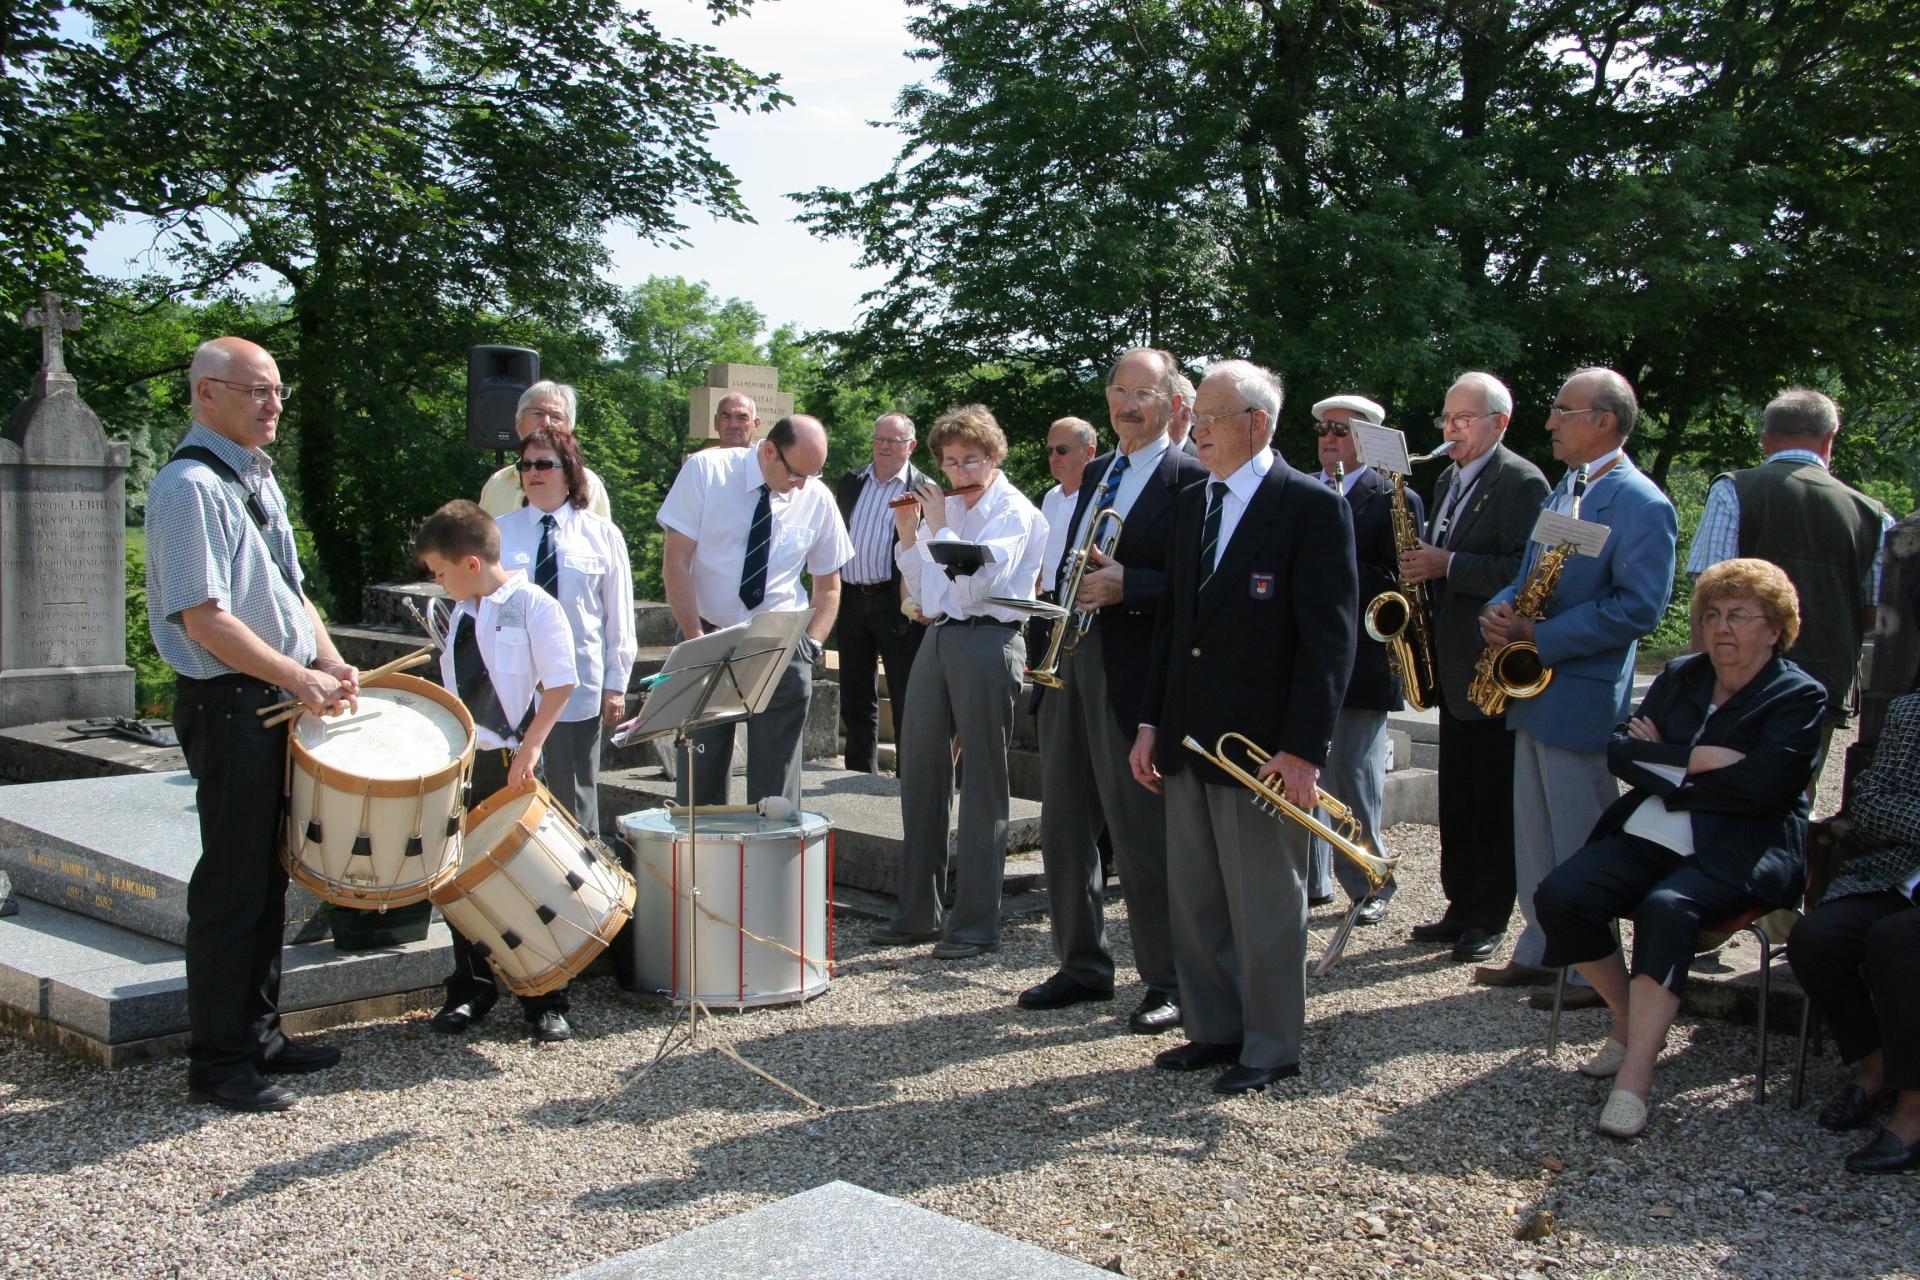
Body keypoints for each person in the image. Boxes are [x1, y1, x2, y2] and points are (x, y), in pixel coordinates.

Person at [1533, 559, 1824, 1138]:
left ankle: (1635, 1078)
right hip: (1655, 831)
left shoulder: (1798, 696)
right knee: (1561, 895)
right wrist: (1696, 760)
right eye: (1712, 614)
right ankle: (1627, 1020)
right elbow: (1620, 751)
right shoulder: (1683, 675)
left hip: (1743, 847)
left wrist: (1663, 760)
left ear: (1774, 628)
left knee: (1668, 907)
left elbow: (1766, 787)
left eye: (1740, 616)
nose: (1722, 628)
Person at [1129, 359, 1357, 1094]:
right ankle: (1215, 1027)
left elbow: (1330, 641)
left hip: (1262, 747)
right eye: (1194, 417)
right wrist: (1148, 722)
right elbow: (1173, 628)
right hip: (1190, 737)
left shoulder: (1310, 507)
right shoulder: (1196, 499)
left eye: (1211, 418)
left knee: (1264, 900)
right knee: (1195, 896)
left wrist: (1302, 749)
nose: (1195, 430)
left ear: (1256, 424)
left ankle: (1272, 1043)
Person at [146, 336, 359, 1112]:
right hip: (233, 702)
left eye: (278, 392)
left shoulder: (255, 479)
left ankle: (260, 1034)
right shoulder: (190, 487)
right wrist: (298, 675)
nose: (273, 405)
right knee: (233, 888)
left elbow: (292, 595)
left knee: (269, 881)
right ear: (207, 393)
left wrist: (329, 662)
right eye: (256, 391)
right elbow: (205, 622)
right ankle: (220, 1062)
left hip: (273, 699)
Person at [1475, 368, 1676, 1004]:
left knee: (1580, 837)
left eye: (1564, 411)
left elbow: (1639, 608)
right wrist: (1501, 609)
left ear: (1605, 422)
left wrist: (1542, 637)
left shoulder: (1642, 504)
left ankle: (1592, 969)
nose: (1551, 423)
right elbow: (1530, 571)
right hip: (1531, 690)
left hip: (1580, 692)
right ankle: (1540, 950)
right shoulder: (1568, 488)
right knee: (1534, 830)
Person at [1021, 350, 1207, 1034]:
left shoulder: (1191, 476)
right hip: (1072, 659)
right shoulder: (1098, 470)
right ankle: (1081, 964)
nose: (1127, 406)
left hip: (1137, 670)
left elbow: (1198, 587)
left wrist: (1134, 585)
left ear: (1172, 403)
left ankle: (1169, 979)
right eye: (1119, 392)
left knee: (1141, 837)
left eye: (1143, 393)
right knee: (1064, 826)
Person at [874, 405, 1048, 959]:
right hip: (942, 635)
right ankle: (919, 911)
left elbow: (978, 575)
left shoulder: (1013, 510)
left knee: (982, 784)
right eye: (949, 463)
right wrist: (909, 533)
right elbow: (927, 593)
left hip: (989, 640)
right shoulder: (948, 507)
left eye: (971, 460)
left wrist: (937, 524)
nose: (959, 472)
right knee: (920, 769)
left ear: (993, 458)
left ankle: (976, 922)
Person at [413, 500, 580, 1042]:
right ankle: (471, 986)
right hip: (468, 761)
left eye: (440, 572)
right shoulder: (462, 613)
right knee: (459, 877)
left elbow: (560, 682)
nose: (438, 584)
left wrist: (532, 747)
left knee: (529, 878)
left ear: (469, 563)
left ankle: (544, 997)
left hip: (515, 758)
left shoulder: (533, 604)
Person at [1399, 373, 1551, 964]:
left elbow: (1526, 570)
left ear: (1499, 424)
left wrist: (1448, 564)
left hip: (1490, 663)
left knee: (1492, 798)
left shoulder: (1522, 481)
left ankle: (1489, 916)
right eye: (1447, 418)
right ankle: (1459, 907)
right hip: (1451, 661)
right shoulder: (1448, 479)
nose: (1451, 429)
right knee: (1457, 797)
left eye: (1465, 418)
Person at [1686, 388, 1891, 782]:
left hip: (1736, 677)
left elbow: (1707, 595)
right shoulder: (1873, 515)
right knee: (1795, 800)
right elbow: (1872, 615)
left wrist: (1699, 679)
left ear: (1765, 440)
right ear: (1830, 439)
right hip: (1824, 682)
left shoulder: (1734, 489)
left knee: (1717, 793)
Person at [654, 415, 852, 812]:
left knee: (776, 789)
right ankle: (705, 870)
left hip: (779, 643)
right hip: (707, 635)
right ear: (767, 451)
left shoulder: (815, 496)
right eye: (796, 474)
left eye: (812, 476)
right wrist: (695, 639)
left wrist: (811, 644)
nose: (801, 486)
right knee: (699, 777)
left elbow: (828, 584)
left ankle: (770, 871)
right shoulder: (707, 471)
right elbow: (675, 562)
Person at [1788, 690, 1920, 1173]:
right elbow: (1871, 801)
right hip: (1901, 873)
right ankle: (1877, 1064)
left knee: (1897, 940)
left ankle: (1914, 1108)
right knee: (1816, 938)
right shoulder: (1912, 712)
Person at [1305, 393, 1422, 928]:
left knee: (1353, 776)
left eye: (1341, 430)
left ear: (1369, 440)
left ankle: (1373, 877)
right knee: (1302, 772)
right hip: (1308, 655)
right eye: (1323, 429)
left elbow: (1402, 581)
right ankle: (1314, 879)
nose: (1329, 438)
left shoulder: (1395, 497)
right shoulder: (1305, 491)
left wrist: (1331, 557)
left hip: (1366, 658)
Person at [495, 427, 636, 836]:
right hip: (514, 686)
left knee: (574, 796)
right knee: (513, 795)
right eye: (525, 465)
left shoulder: (601, 534)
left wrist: (616, 684)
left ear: (570, 472)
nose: (533, 472)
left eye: (544, 464)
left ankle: (585, 885)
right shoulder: (498, 533)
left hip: (579, 684)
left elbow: (618, 616)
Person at [833, 413, 931, 774]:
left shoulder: (925, 490)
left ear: (912, 446)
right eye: (879, 439)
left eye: (894, 440)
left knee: (906, 692)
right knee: (855, 694)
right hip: (852, 598)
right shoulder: (852, 482)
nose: (885, 447)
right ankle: (860, 774)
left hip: (897, 601)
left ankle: (908, 778)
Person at [478, 381, 612, 519]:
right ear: (518, 423)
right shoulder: (497, 482)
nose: (546, 422)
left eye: (556, 416)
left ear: (568, 429)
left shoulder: (588, 484)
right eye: (538, 413)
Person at [1037, 416, 1099, 596]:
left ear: (1089, 453)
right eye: (1050, 450)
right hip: (1046, 601)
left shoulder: (1101, 498)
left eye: (1062, 450)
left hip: (1080, 603)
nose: (1053, 457)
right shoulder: (1051, 497)